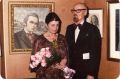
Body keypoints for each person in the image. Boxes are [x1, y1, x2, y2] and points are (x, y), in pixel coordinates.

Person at [65, 3, 101, 79]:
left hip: (86, 72)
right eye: (73, 11)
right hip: (70, 71)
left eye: (78, 11)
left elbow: (95, 54)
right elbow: (66, 49)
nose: (75, 13)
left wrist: (91, 74)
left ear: (85, 12)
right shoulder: (69, 28)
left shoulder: (93, 29)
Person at [30, 12, 68, 79]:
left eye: (57, 25)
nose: (55, 28)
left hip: (60, 75)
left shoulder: (62, 38)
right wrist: (45, 63)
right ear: (47, 25)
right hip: (45, 76)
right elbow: (33, 62)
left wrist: (64, 60)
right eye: (52, 25)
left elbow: (66, 54)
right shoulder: (39, 40)